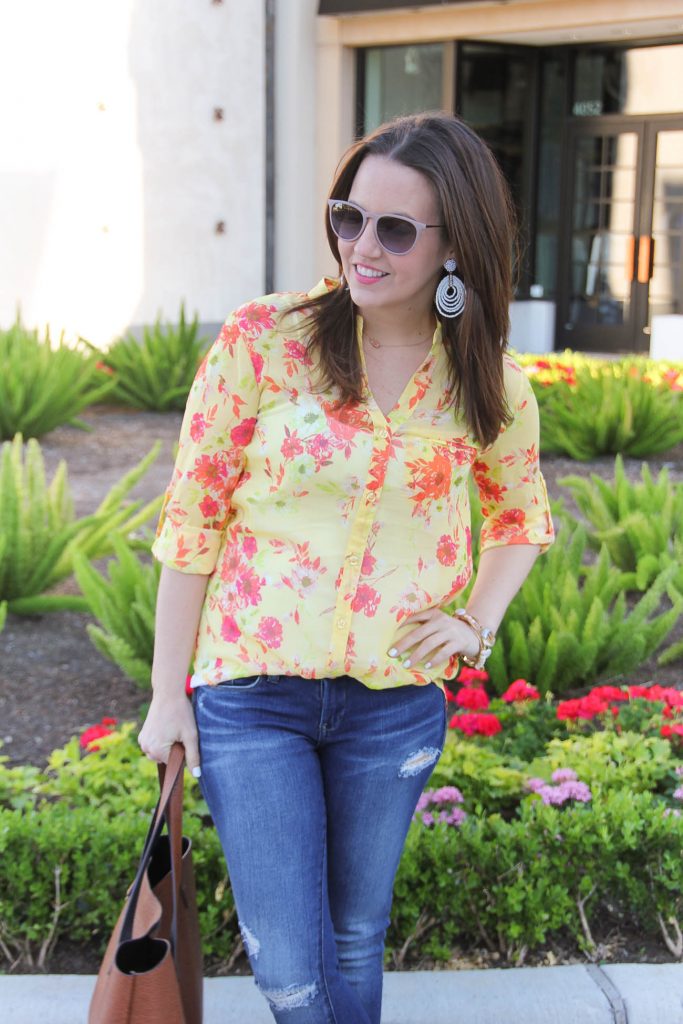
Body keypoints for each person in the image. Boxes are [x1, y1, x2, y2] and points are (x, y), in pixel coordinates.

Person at [138, 111, 555, 1024]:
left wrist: (474, 622)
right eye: (348, 217)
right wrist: (169, 697)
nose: (361, 247)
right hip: (253, 692)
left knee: (357, 934)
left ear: (456, 247)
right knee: (287, 958)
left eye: (395, 230)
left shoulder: (486, 379)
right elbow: (193, 519)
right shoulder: (265, 340)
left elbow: (521, 516)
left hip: (394, 699)